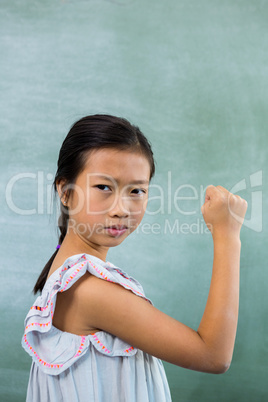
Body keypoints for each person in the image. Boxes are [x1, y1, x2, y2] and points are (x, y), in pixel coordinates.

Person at [22, 114, 247, 402]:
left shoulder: (71, 274)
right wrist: (227, 236)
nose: (121, 208)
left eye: (137, 191)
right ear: (65, 192)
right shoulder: (89, 290)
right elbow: (214, 356)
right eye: (104, 187)